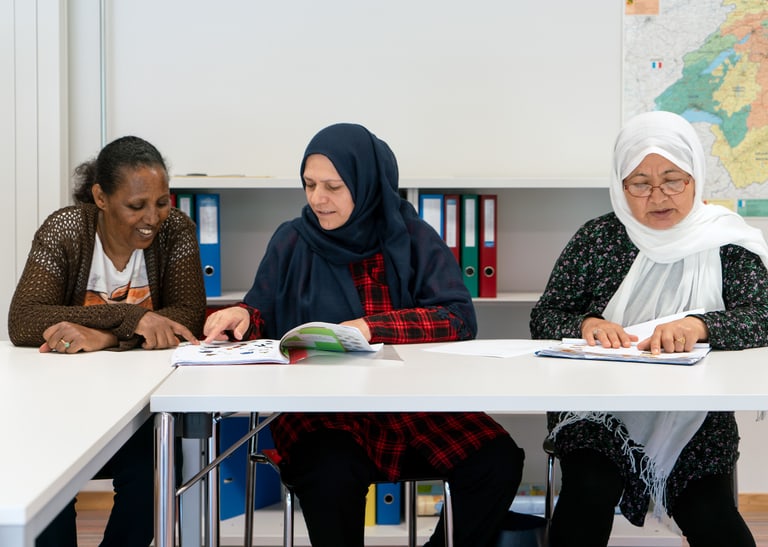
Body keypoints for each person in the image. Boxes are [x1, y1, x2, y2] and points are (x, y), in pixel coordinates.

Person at [203, 122, 524, 547]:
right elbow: (261, 311)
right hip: (321, 411)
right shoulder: (292, 241)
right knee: (330, 472)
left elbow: (458, 318)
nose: (318, 198)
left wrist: (372, 328)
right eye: (309, 184)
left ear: (368, 183)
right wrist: (241, 316)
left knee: (497, 460)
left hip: (411, 402)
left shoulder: (411, 238)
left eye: (334, 186)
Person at [530, 111, 768, 547]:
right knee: (589, 490)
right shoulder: (598, 238)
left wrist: (699, 325)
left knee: (709, 512)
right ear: (620, 187)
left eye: (673, 179)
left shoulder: (727, 242)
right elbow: (545, 316)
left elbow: (762, 316)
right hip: (597, 410)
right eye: (639, 183)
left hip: (694, 413)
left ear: (695, 177)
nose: (658, 196)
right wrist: (589, 325)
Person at [8, 135, 207, 546]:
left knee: (151, 475)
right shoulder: (64, 230)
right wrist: (130, 316)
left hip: (140, 408)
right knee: (51, 493)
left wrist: (104, 337)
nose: (152, 217)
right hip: (61, 408)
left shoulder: (177, 230)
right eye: (136, 206)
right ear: (100, 197)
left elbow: (189, 316)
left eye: (162, 202)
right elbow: (24, 319)